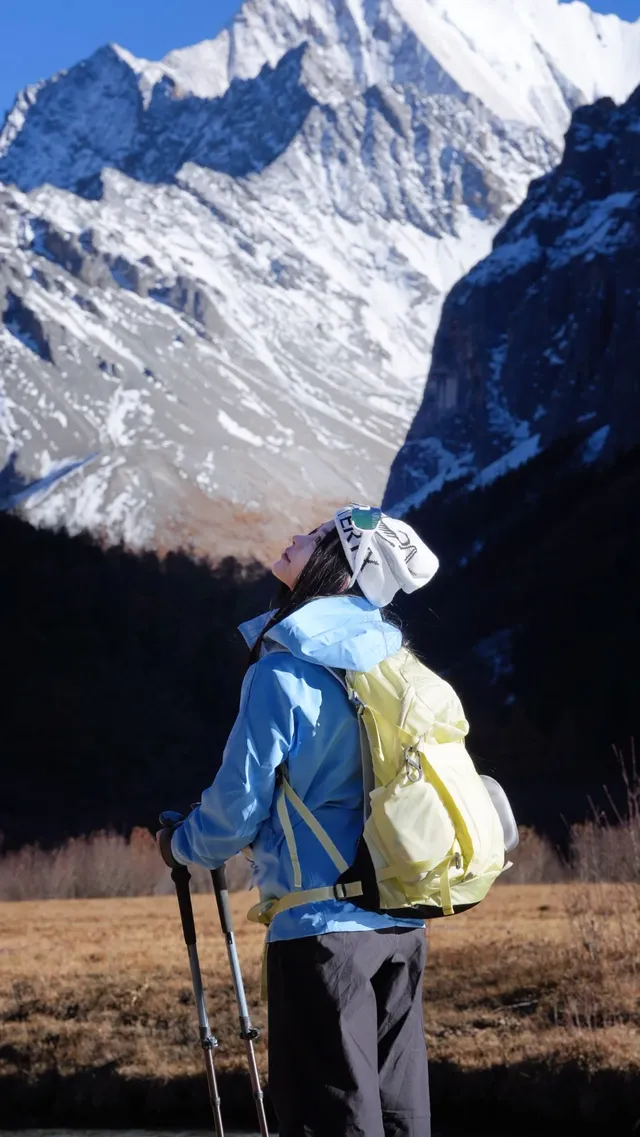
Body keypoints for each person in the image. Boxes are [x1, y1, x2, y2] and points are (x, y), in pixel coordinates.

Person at [158, 504, 440, 1137]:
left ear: (342, 571)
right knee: (399, 1118)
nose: (296, 538)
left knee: (329, 1118)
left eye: (316, 539)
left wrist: (182, 847)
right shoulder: (398, 667)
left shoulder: (283, 673)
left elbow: (234, 810)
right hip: (402, 920)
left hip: (320, 930)